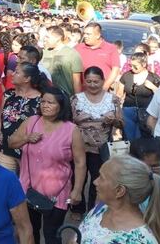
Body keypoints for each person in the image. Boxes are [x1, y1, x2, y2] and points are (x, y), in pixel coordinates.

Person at [9, 86, 87, 244]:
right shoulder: (31, 122)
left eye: (50, 103)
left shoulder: (71, 130)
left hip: (57, 192)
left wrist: (77, 190)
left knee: (52, 234)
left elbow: (80, 162)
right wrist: (26, 138)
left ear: (61, 106)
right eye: (43, 101)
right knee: (30, 232)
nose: (45, 105)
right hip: (28, 189)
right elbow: (11, 143)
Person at [70, 66, 123, 218]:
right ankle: (76, 208)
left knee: (97, 179)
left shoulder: (113, 99)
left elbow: (121, 123)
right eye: (89, 81)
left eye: (96, 81)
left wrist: (114, 121)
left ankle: (94, 211)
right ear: (84, 81)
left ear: (103, 81)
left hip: (101, 148)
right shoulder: (75, 99)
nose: (92, 85)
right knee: (76, 178)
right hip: (78, 146)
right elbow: (69, 122)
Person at [79, 155, 160, 244]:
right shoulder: (101, 209)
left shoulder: (140, 240)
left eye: (101, 178)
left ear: (119, 191)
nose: (95, 182)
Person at [0, 62, 47, 173]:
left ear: (27, 79)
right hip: (5, 150)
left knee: (26, 182)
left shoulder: (41, 99)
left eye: (17, 72)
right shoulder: (8, 95)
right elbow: (0, 118)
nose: (12, 74)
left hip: (29, 150)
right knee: (5, 181)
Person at [117, 52, 160, 140]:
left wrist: (153, 87)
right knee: (128, 137)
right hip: (128, 110)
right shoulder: (126, 75)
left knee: (142, 137)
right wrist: (118, 110)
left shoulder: (153, 77)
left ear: (144, 64)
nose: (132, 68)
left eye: (135, 66)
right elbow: (119, 94)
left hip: (146, 111)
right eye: (131, 65)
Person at [129, 137, 160, 212]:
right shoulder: (125, 174)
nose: (148, 171)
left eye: (154, 166)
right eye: (143, 166)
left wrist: (158, 182)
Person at [75, 22, 122, 91]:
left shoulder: (111, 49)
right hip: (83, 92)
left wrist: (104, 88)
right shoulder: (78, 48)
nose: (85, 36)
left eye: (88, 34)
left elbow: (115, 70)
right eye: (84, 33)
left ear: (98, 35)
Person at [40, 26, 83, 97]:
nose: (45, 39)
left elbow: (77, 81)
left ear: (58, 38)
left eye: (48, 37)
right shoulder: (44, 53)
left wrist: (78, 100)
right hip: (46, 97)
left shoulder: (72, 53)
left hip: (65, 98)